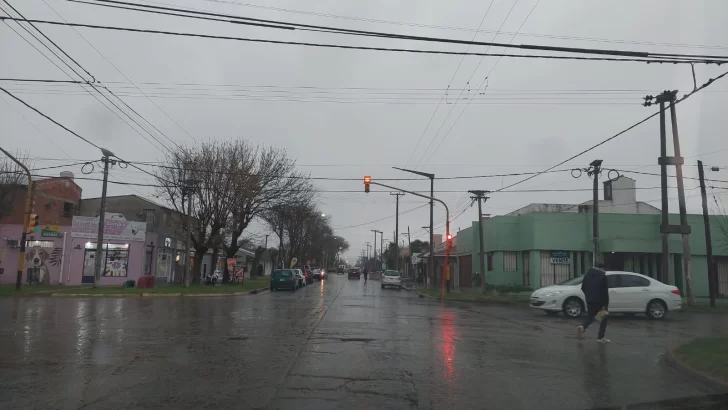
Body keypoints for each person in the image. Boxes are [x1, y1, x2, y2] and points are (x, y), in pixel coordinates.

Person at [578, 262, 610, 343]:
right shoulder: (603, 276)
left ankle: (583, 326)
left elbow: (583, 288)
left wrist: (589, 296)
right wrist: (604, 304)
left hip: (590, 301)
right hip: (600, 301)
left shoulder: (587, 275)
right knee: (604, 319)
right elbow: (604, 292)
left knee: (591, 317)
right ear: (602, 269)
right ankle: (600, 337)